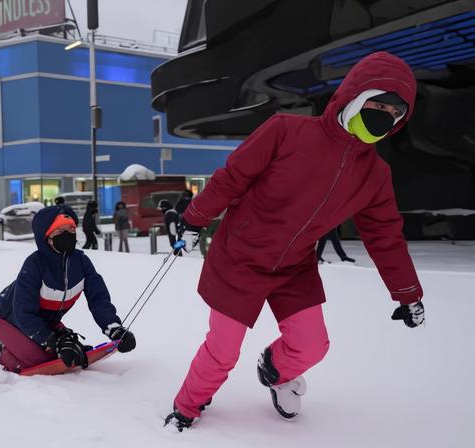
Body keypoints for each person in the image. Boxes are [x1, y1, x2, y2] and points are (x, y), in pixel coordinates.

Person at [165, 52, 425, 431]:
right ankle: (186, 409)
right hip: (240, 257)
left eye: (394, 111)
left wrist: (407, 292)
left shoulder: (376, 174)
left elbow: (385, 235)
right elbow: (231, 178)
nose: (385, 114)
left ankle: (273, 370)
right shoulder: (286, 131)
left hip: (294, 266)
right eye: (378, 102)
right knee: (222, 350)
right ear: (355, 95)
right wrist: (194, 219)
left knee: (313, 344)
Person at [0, 205, 136, 372]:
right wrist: (52, 340)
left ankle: (35, 345)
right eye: (60, 231)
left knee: (67, 352)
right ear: (47, 237)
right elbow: (22, 312)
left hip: (46, 320)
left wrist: (114, 328)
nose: (67, 235)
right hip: (8, 319)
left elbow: (98, 299)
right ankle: (0, 350)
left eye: (71, 229)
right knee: (39, 359)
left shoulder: (81, 263)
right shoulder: (34, 265)